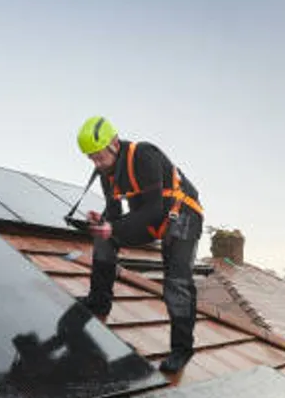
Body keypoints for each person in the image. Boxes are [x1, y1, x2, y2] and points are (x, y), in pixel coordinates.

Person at [74, 116, 203, 374]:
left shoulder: (143, 154)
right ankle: (99, 301)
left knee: (176, 281)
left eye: (99, 156)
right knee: (103, 236)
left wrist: (115, 226)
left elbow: (155, 209)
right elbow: (114, 212)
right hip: (151, 219)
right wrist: (103, 222)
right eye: (92, 159)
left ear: (113, 143)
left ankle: (182, 349)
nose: (97, 164)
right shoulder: (105, 174)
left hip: (183, 217)